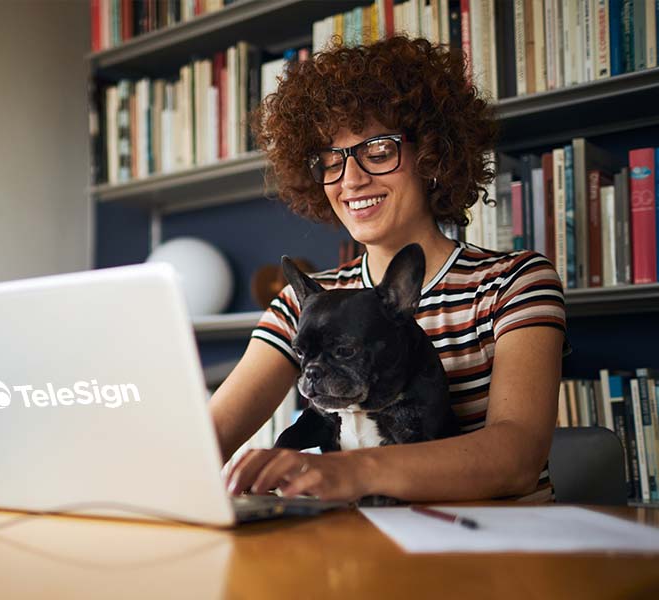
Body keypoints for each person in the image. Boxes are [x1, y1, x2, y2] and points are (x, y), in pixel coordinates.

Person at [210, 36, 567, 503]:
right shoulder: (308, 301)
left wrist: (351, 471)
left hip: (497, 555)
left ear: (431, 156)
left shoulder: (511, 283)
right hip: (359, 553)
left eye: (377, 152)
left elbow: (517, 458)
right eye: (331, 161)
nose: (352, 180)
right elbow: (208, 435)